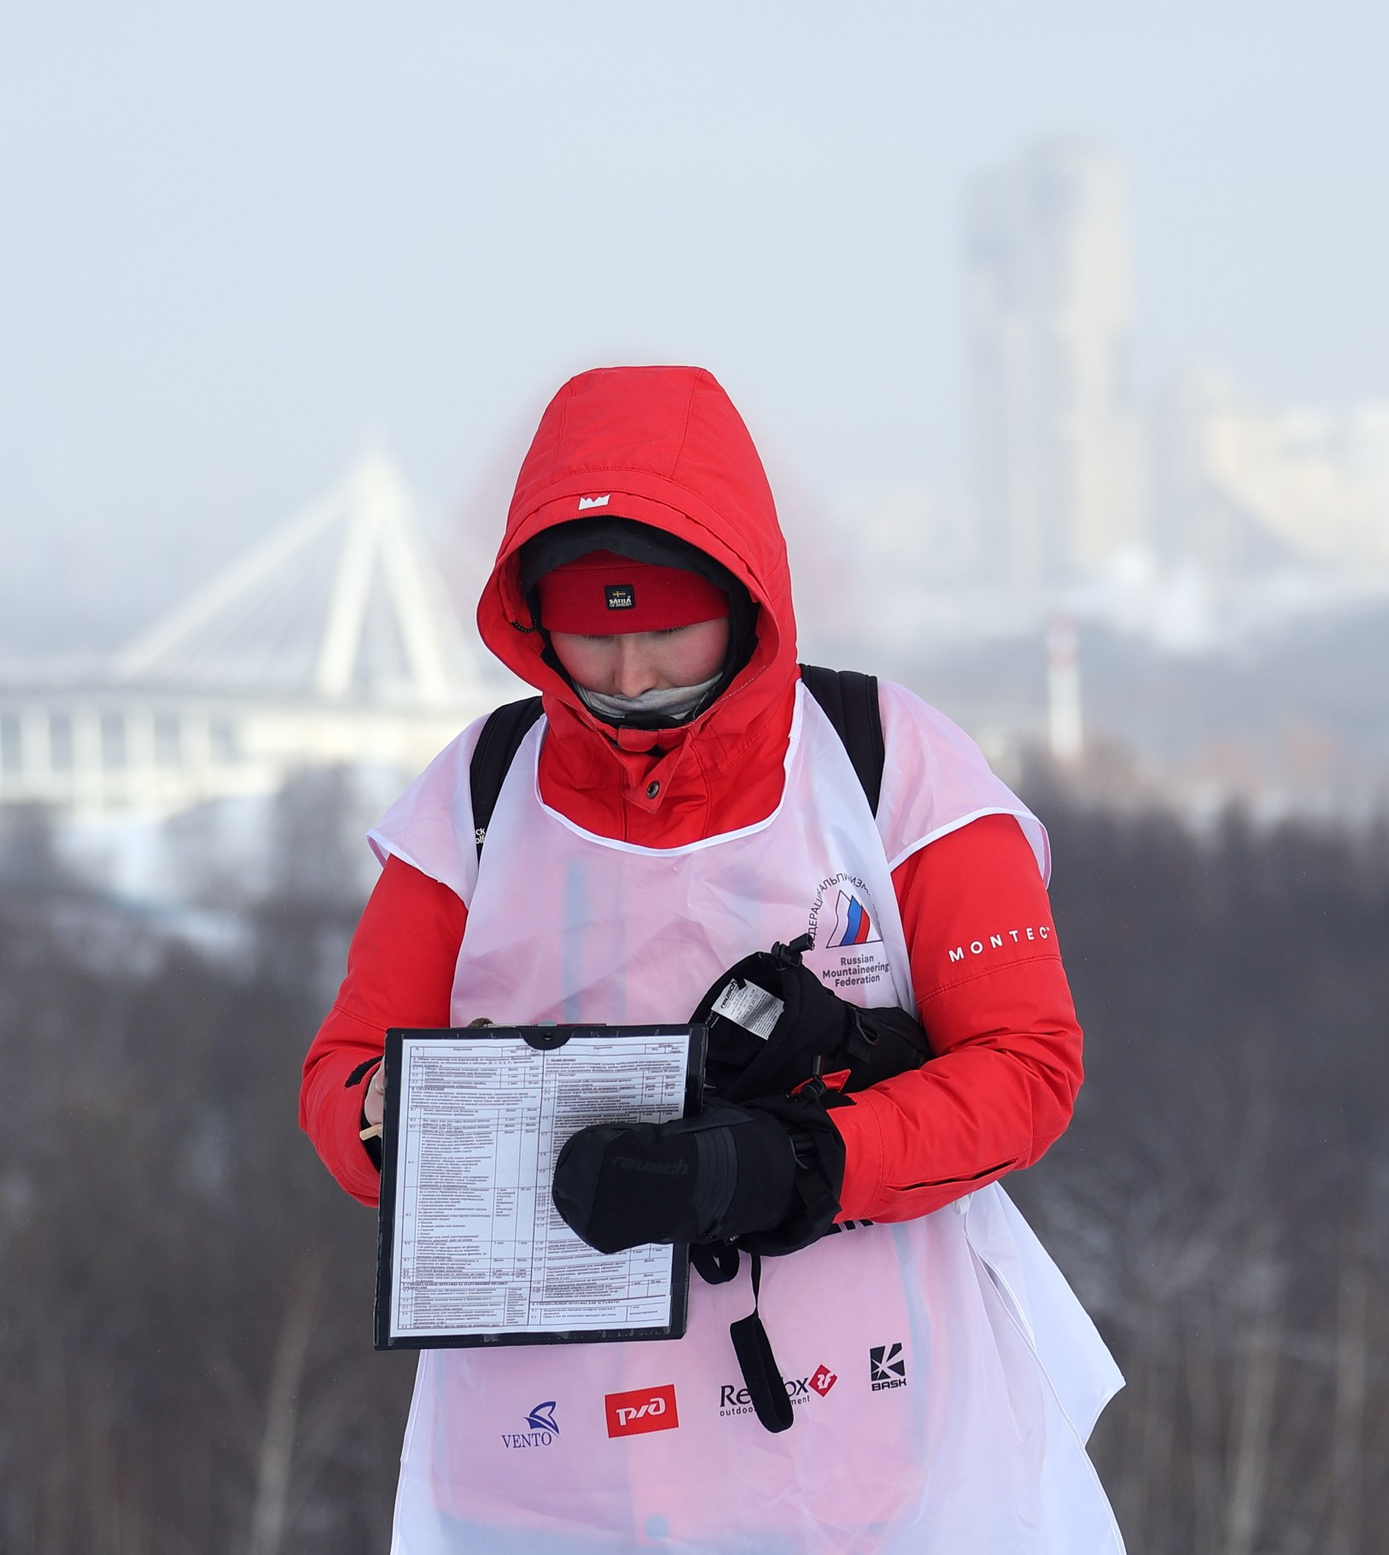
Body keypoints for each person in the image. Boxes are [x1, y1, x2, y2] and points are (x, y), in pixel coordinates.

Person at [300, 366, 1124, 1552]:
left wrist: (791, 1165)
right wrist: (409, 1121)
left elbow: (1026, 1066)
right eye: (592, 632)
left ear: (747, 597)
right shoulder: (477, 799)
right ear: (532, 615)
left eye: (667, 632)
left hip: (875, 1455)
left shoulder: (885, 763)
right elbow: (339, 1082)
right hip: (552, 1478)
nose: (631, 679)